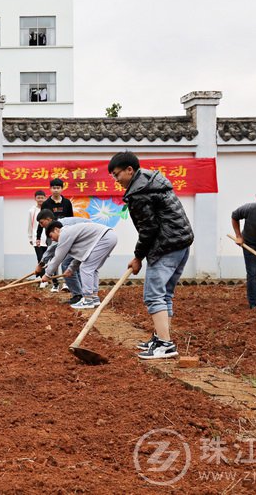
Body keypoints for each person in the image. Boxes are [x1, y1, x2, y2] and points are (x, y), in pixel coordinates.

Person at [108, 151, 193, 360]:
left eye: (117, 175)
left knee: (154, 295)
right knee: (165, 294)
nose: (116, 180)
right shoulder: (152, 180)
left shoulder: (139, 193)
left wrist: (138, 257)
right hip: (182, 242)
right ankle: (160, 337)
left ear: (130, 170)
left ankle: (165, 344)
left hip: (166, 246)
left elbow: (149, 229)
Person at [38, 221, 118, 310]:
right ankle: (94, 298)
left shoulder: (64, 234)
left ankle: (88, 300)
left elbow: (58, 257)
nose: (52, 239)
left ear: (56, 230)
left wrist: (47, 274)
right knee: (92, 268)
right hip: (108, 237)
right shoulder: (71, 233)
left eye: (51, 235)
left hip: (104, 238)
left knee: (86, 268)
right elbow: (83, 255)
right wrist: (71, 269)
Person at [37, 209, 90, 305]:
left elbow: (53, 248)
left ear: (48, 219)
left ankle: (78, 296)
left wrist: (42, 266)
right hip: (87, 240)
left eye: (41, 222)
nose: (41, 225)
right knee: (74, 267)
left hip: (89, 239)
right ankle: (83, 294)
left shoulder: (59, 226)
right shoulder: (60, 224)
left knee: (66, 264)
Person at [40, 178, 74, 292]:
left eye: (58, 188)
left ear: (62, 189)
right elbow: (42, 221)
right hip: (52, 235)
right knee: (53, 258)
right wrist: (39, 236)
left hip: (65, 234)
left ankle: (66, 283)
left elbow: (71, 218)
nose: (56, 190)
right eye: (53, 188)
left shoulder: (67, 203)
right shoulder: (46, 203)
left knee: (65, 257)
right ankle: (55, 284)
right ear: (50, 189)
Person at [27, 190, 47, 287]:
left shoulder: (48, 210)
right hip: (37, 237)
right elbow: (30, 225)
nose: (40, 199)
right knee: (40, 258)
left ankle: (44, 277)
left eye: (42, 197)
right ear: (35, 198)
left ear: (45, 198)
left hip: (48, 237)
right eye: (38, 197)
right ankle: (42, 278)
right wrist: (30, 237)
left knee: (47, 258)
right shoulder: (32, 210)